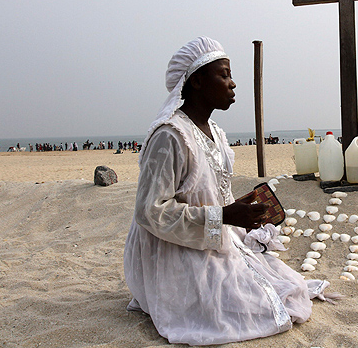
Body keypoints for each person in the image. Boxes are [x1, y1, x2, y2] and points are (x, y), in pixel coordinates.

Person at [123, 37, 334, 346]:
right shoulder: (170, 137)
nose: (232, 83)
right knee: (247, 309)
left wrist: (239, 214)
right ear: (197, 81)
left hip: (211, 236)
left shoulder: (217, 134)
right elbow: (149, 211)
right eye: (224, 75)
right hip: (171, 247)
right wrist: (222, 216)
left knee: (288, 286)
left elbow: (214, 196)